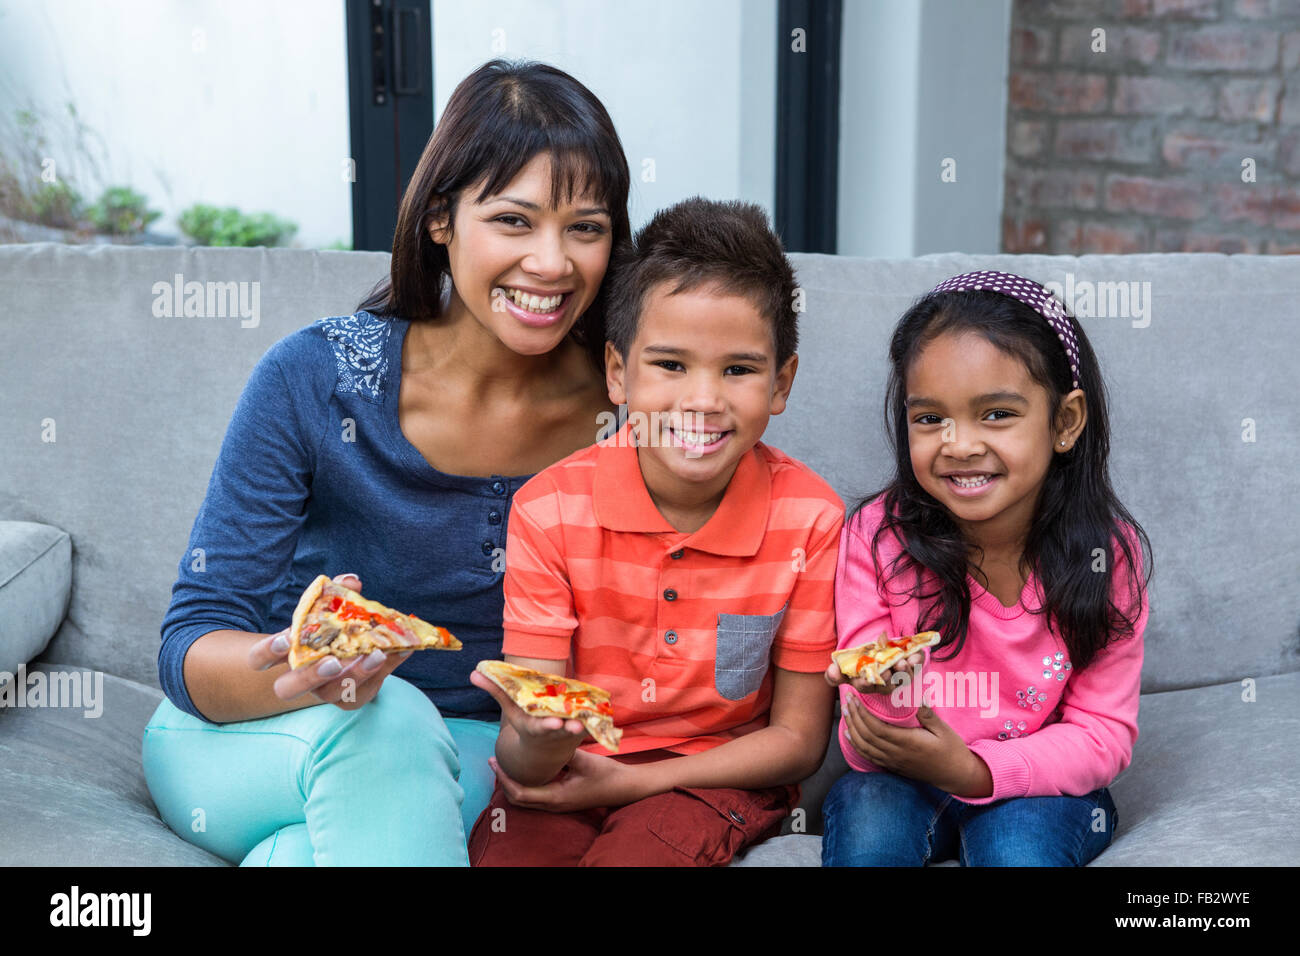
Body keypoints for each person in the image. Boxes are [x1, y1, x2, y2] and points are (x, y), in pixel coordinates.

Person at [141, 59, 631, 866]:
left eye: (585, 226)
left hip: (470, 758)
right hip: (252, 733)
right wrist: (290, 669)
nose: (553, 263)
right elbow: (191, 641)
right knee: (388, 721)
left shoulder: (628, 413)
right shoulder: (315, 376)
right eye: (514, 220)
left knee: (311, 850)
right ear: (440, 219)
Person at [466, 198, 844, 867]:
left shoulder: (810, 520)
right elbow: (521, 753)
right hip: (572, 773)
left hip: (714, 777)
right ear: (619, 373)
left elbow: (798, 739)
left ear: (781, 382)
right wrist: (541, 735)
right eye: (670, 365)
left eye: (738, 369)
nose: (702, 400)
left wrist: (639, 779)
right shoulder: (548, 510)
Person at [820, 270, 1152, 867]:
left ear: (1065, 422)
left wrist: (975, 771)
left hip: (1036, 782)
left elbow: (1102, 733)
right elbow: (863, 747)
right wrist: (885, 694)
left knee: (1017, 852)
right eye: (929, 419)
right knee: (867, 828)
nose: (960, 444)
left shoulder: (1108, 556)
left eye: (996, 414)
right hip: (901, 776)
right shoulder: (877, 538)